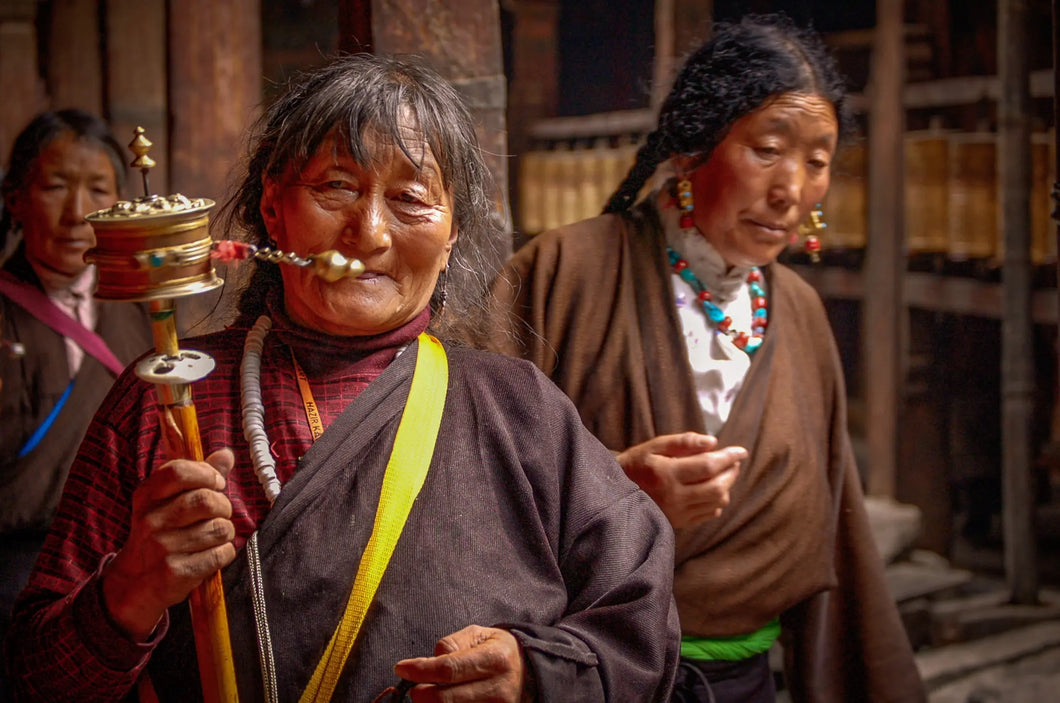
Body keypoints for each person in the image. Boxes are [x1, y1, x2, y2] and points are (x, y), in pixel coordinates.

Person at [5, 54, 680, 702]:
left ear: (451, 237)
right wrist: (128, 592)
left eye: (411, 198)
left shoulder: (521, 411)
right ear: (273, 208)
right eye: (336, 187)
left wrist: (535, 673)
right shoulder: (165, 400)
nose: (370, 231)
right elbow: (37, 678)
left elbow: (639, 625)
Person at [488, 14, 926, 703]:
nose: (792, 190)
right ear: (692, 149)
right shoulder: (564, 272)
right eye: (768, 149)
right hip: (593, 674)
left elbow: (835, 523)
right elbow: (474, 478)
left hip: (746, 684)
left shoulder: (802, 315)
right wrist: (621, 493)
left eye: (817, 162)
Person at [0, 110, 153, 701]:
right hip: (15, 571)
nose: (75, 213)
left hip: (122, 565)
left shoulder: (142, 305)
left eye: (97, 190)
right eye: (55, 186)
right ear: (16, 198)